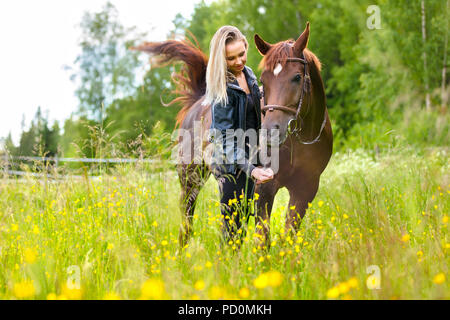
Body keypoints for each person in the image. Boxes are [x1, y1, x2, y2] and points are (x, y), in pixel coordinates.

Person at [204, 25, 274, 241]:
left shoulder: (249, 74)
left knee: (261, 226)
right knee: (234, 236)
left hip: (253, 158)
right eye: (230, 58)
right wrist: (250, 170)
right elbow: (224, 140)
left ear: (246, 45)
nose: (238, 61)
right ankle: (228, 274)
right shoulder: (221, 89)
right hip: (231, 165)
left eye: (241, 54)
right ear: (220, 59)